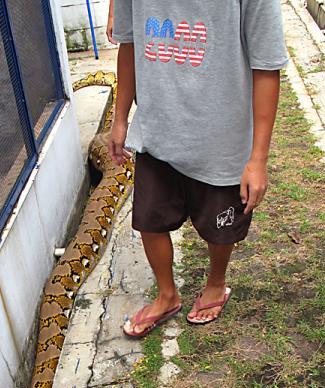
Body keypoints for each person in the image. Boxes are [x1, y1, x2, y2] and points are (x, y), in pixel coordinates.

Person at [109, 1, 288, 335]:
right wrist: (120, 118)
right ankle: (166, 295)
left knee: (221, 228)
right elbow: (129, 43)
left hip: (222, 139)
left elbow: (266, 66)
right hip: (156, 129)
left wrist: (258, 159)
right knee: (150, 220)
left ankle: (216, 284)